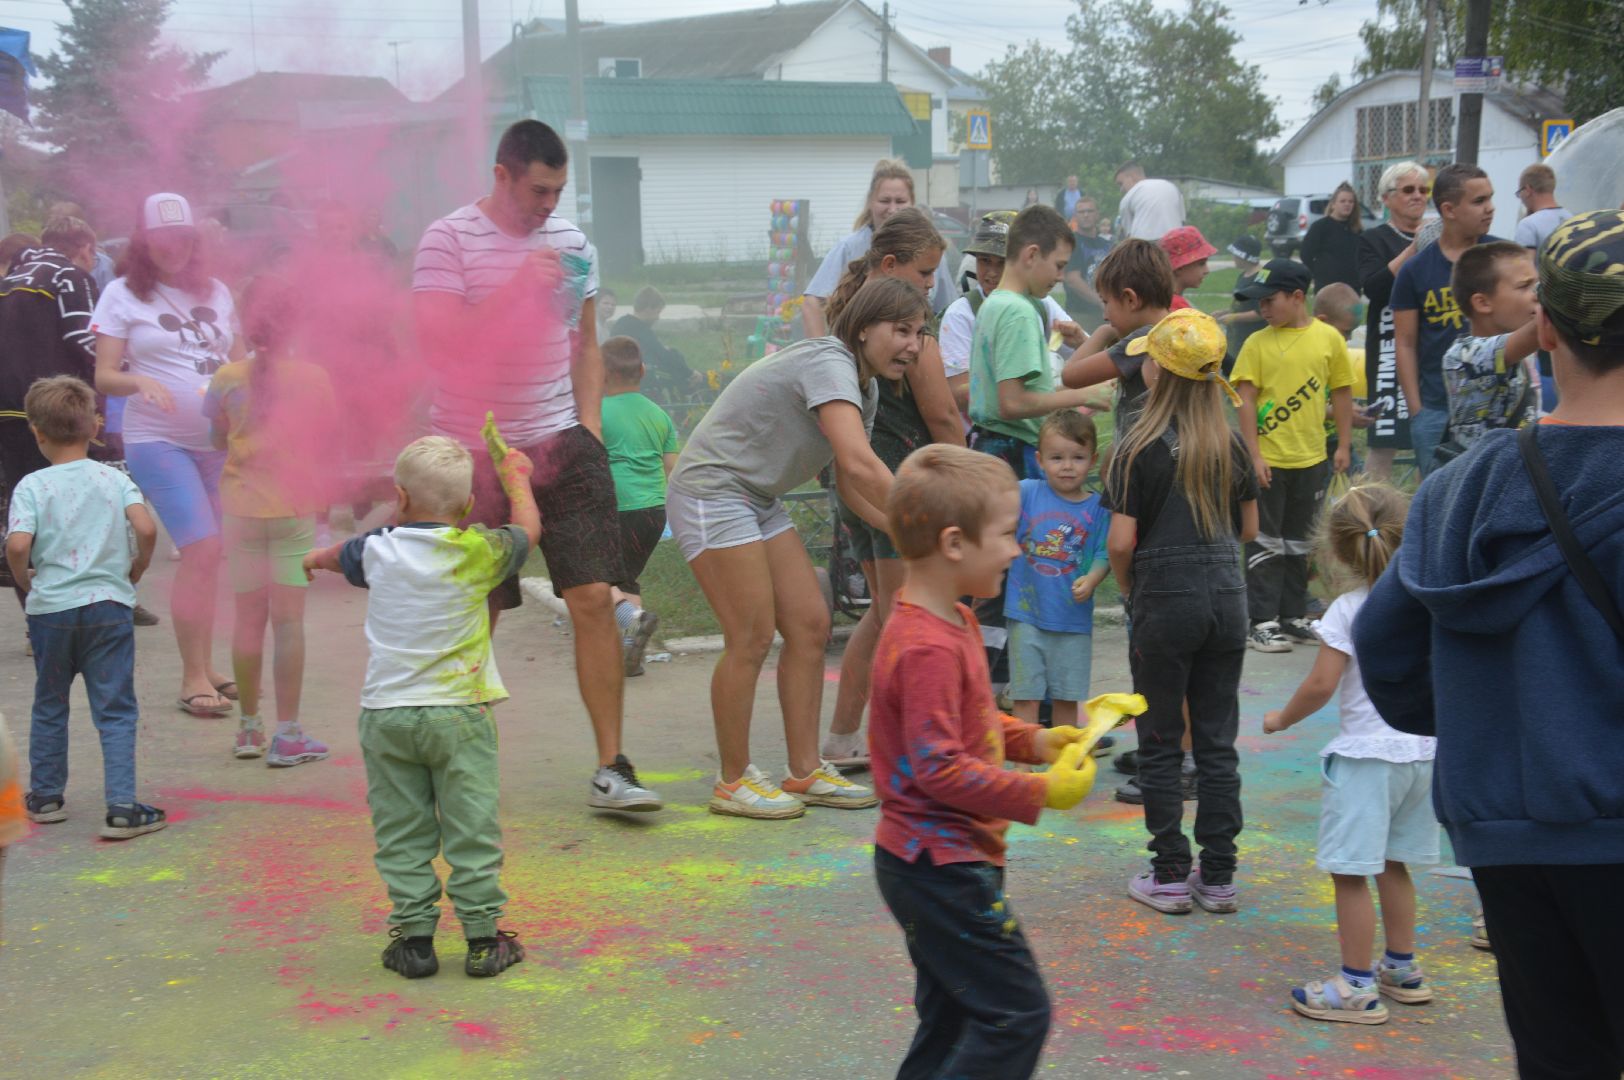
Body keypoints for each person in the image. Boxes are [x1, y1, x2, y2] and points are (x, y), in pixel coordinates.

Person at [1352, 210, 1624, 1078]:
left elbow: (1391, 657)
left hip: (1507, 833)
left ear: (1543, 327)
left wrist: (1502, 713)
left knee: (1557, 1056)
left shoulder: (1459, 490)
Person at [412, 119, 662, 813]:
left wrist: (586, 428)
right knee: (475, 611)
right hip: (470, 454)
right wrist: (514, 289)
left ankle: (612, 766)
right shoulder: (449, 239)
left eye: (558, 191)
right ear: (502, 175)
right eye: (538, 190)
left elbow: (586, 342)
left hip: (561, 441)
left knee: (592, 598)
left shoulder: (573, 244)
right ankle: (453, 773)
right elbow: (438, 348)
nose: (549, 205)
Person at [869, 442, 1107, 1080]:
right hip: (937, 867)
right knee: (1014, 1015)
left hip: (947, 860)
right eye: (1006, 534)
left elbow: (970, 721)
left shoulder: (957, 623)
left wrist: (1034, 741)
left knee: (951, 1016)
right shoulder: (926, 646)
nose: (1016, 548)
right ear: (954, 544)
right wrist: (1039, 794)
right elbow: (939, 767)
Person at [667, 277, 919, 820]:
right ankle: (732, 780)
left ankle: (804, 770)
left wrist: (907, 535)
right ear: (864, 328)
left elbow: (850, 483)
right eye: (902, 331)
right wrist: (929, 514)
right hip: (714, 489)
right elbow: (856, 462)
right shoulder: (831, 362)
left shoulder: (864, 387)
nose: (914, 346)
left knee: (808, 623)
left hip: (757, 494)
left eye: (920, 333)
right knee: (751, 634)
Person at [305, 435, 539, 980]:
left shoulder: (375, 550)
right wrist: (518, 480)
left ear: (400, 497)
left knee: (402, 830)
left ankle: (414, 943)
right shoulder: (480, 550)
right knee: (471, 827)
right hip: (460, 713)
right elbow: (529, 531)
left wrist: (311, 560)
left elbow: (334, 556)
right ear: (466, 508)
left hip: (387, 714)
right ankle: (483, 940)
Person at [1264, 484, 1439, 1026]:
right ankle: (1403, 968)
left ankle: (1356, 986)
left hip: (1367, 760)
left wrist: (1281, 718)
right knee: (1394, 863)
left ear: (1337, 551)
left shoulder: (1348, 609)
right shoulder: (1425, 600)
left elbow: (1320, 685)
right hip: (1423, 754)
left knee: (1349, 872)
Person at [1102, 309, 1259, 915]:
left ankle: (1169, 872)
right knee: (1217, 742)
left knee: (1162, 739)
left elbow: (1121, 542)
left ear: (1159, 375)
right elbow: (1248, 529)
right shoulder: (1232, 444)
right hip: (1226, 596)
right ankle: (1218, 875)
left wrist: (1133, 592)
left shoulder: (1134, 446)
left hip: (1164, 600)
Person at [818, 210, 965, 769]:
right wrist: (973, 483)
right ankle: (908, 736)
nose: (930, 285)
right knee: (911, 613)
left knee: (887, 611)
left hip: (858, 480)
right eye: (925, 272)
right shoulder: (912, 330)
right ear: (890, 266)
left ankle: (843, 736)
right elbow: (944, 417)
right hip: (900, 482)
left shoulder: (851, 319)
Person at [93, 192, 246, 718]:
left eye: (182, 238)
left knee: (216, 554)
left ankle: (208, 662)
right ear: (144, 242)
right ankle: (192, 677)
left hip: (218, 443)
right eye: (161, 239)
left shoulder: (219, 292)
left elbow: (240, 363)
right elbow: (104, 374)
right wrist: (139, 380)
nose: (172, 249)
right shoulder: (121, 294)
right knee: (201, 549)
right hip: (157, 441)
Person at [5, 376, 163, 840]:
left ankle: (47, 796)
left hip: (51, 611)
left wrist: (23, 578)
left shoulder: (31, 485)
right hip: (108, 607)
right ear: (94, 427)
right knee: (115, 708)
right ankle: (121, 807)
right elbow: (147, 529)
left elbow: (17, 545)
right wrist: (137, 567)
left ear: (37, 432)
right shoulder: (114, 478)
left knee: (50, 703)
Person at [202, 274, 336, 767]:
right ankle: (289, 733)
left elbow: (216, 439)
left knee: (247, 620)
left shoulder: (225, 378)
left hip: (240, 511)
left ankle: (248, 729)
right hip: (292, 510)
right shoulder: (314, 378)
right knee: (289, 624)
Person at [1231, 259, 1353, 652]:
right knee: (1265, 541)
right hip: (1270, 459)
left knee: (1299, 540)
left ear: (1297, 297)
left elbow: (1342, 392)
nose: (1263, 310)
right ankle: (1261, 620)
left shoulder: (1328, 339)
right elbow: (1245, 401)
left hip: (1312, 458)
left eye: (1270, 301)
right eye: (1259, 303)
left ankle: (1292, 613)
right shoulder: (1257, 344)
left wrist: (1345, 445)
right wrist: (1254, 455)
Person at [967, 205, 1097, 479]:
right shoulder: (1019, 312)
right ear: (1032, 255)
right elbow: (1012, 403)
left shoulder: (994, 303)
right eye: (1059, 266)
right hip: (1013, 454)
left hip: (987, 445)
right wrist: (1085, 395)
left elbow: (1018, 392)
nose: (1061, 277)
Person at [1005, 410, 1111, 728]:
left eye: (1077, 457)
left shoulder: (1099, 507)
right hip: (1026, 615)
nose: (1067, 466)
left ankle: (1062, 762)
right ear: (1040, 459)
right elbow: (994, 513)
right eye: (1056, 457)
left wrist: (1092, 579)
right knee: (1026, 696)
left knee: (1066, 697)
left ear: (1092, 460)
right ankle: (1024, 765)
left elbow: (1104, 553)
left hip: (1072, 621)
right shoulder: (1026, 492)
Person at [1392, 163, 1497, 478]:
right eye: (1479, 201)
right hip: (1438, 408)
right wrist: (1418, 412)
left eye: (1490, 198)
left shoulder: (1503, 258)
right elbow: (1406, 342)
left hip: (1496, 402)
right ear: (1449, 209)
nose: (1490, 208)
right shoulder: (1415, 270)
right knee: (1439, 504)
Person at [941, 211, 1080, 419]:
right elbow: (956, 394)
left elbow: (1082, 366)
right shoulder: (961, 314)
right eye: (984, 261)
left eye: (1001, 262)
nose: (991, 272)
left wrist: (1081, 340)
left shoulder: (1042, 304)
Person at [801, 159, 957, 337]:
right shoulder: (849, 248)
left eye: (900, 201)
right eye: (885, 201)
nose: (892, 209)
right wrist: (824, 356)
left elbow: (948, 312)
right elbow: (812, 303)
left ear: (912, 203)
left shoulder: (931, 254)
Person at [598, 335, 677, 677]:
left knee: (596, 580)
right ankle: (633, 653)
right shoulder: (660, 416)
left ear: (602, 374)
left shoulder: (597, 412)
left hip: (615, 508)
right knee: (627, 578)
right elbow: (674, 469)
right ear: (642, 371)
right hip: (653, 513)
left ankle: (633, 620)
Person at [1061, 238, 1178, 441]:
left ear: (1130, 299)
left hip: (1145, 460)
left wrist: (1104, 332)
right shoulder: (1176, 329)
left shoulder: (1142, 341)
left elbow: (1071, 376)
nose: (1105, 314)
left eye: (1106, 302)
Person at [1356, 161, 1430, 479]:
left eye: (1423, 190)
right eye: (1408, 189)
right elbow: (1374, 287)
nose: (1418, 196)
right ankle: (1375, 519)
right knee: (1384, 437)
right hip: (1389, 344)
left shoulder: (1439, 235)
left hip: (1432, 342)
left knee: (1430, 436)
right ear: (1386, 198)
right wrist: (1415, 247)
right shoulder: (1374, 239)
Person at [1439, 242, 1540, 459]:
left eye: (1538, 284)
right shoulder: (1464, 356)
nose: (1537, 295)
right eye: (1525, 287)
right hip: (1481, 484)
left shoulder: (1520, 352)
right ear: (1483, 303)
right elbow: (1542, 329)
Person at [1514, 163, 1571, 413]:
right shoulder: (1573, 218)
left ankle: (1550, 416)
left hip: (1546, 308)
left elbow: (1525, 273)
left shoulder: (1529, 225)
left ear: (1527, 190)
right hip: (1574, 306)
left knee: (1546, 367)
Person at [611, 286, 701, 396]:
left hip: (620, 375)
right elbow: (662, 355)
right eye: (658, 312)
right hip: (640, 378)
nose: (657, 317)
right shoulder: (640, 329)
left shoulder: (622, 323)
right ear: (649, 308)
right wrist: (689, 373)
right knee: (674, 357)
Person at [1300, 183, 1364, 292]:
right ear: (1333, 204)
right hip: (1327, 288)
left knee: (1355, 310)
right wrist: (1319, 274)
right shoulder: (1320, 227)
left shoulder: (1357, 230)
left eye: (1350, 201)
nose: (1347, 204)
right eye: (1343, 201)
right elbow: (1305, 254)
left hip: (1353, 289)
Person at [1060, 196, 1113, 327]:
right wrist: (1100, 301)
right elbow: (1072, 280)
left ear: (1097, 215)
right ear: (1075, 216)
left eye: (1090, 211)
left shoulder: (1106, 244)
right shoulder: (1072, 242)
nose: (1086, 215)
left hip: (1107, 313)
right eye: (1081, 212)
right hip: (1081, 313)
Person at [1218, 235, 1266, 370]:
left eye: (1235, 254)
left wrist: (1233, 318)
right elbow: (1242, 305)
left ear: (1244, 256)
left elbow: (1260, 311)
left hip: (1252, 338)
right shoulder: (1243, 275)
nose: (1233, 257)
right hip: (1238, 338)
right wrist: (1226, 312)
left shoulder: (1262, 277)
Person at [1114, 161, 1185, 241]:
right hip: (1175, 241)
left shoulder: (1127, 198)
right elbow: (1182, 222)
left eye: (1121, 184)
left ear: (1132, 177)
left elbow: (1129, 235)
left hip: (1145, 245)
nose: (1121, 189)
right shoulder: (1172, 187)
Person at [1513, 163, 1571, 251]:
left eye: (1520, 192)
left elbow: (1524, 263)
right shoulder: (1571, 217)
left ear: (1528, 190)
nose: (1520, 197)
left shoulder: (1528, 225)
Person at [1159, 226, 1216, 310]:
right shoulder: (1178, 307)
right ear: (1179, 268)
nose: (1207, 271)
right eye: (1201, 264)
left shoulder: (1160, 299)